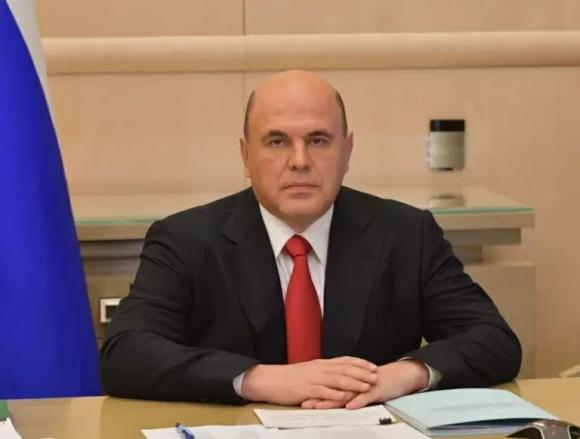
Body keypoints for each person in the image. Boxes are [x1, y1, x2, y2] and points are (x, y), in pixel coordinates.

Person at [100, 70, 521, 409]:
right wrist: (262, 379)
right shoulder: (187, 240)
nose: (299, 161)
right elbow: (125, 354)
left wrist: (402, 375)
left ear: (347, 151)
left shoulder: (406, 233)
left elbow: (494, 341)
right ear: (245, 156)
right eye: (277, 141)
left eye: (318, 140)